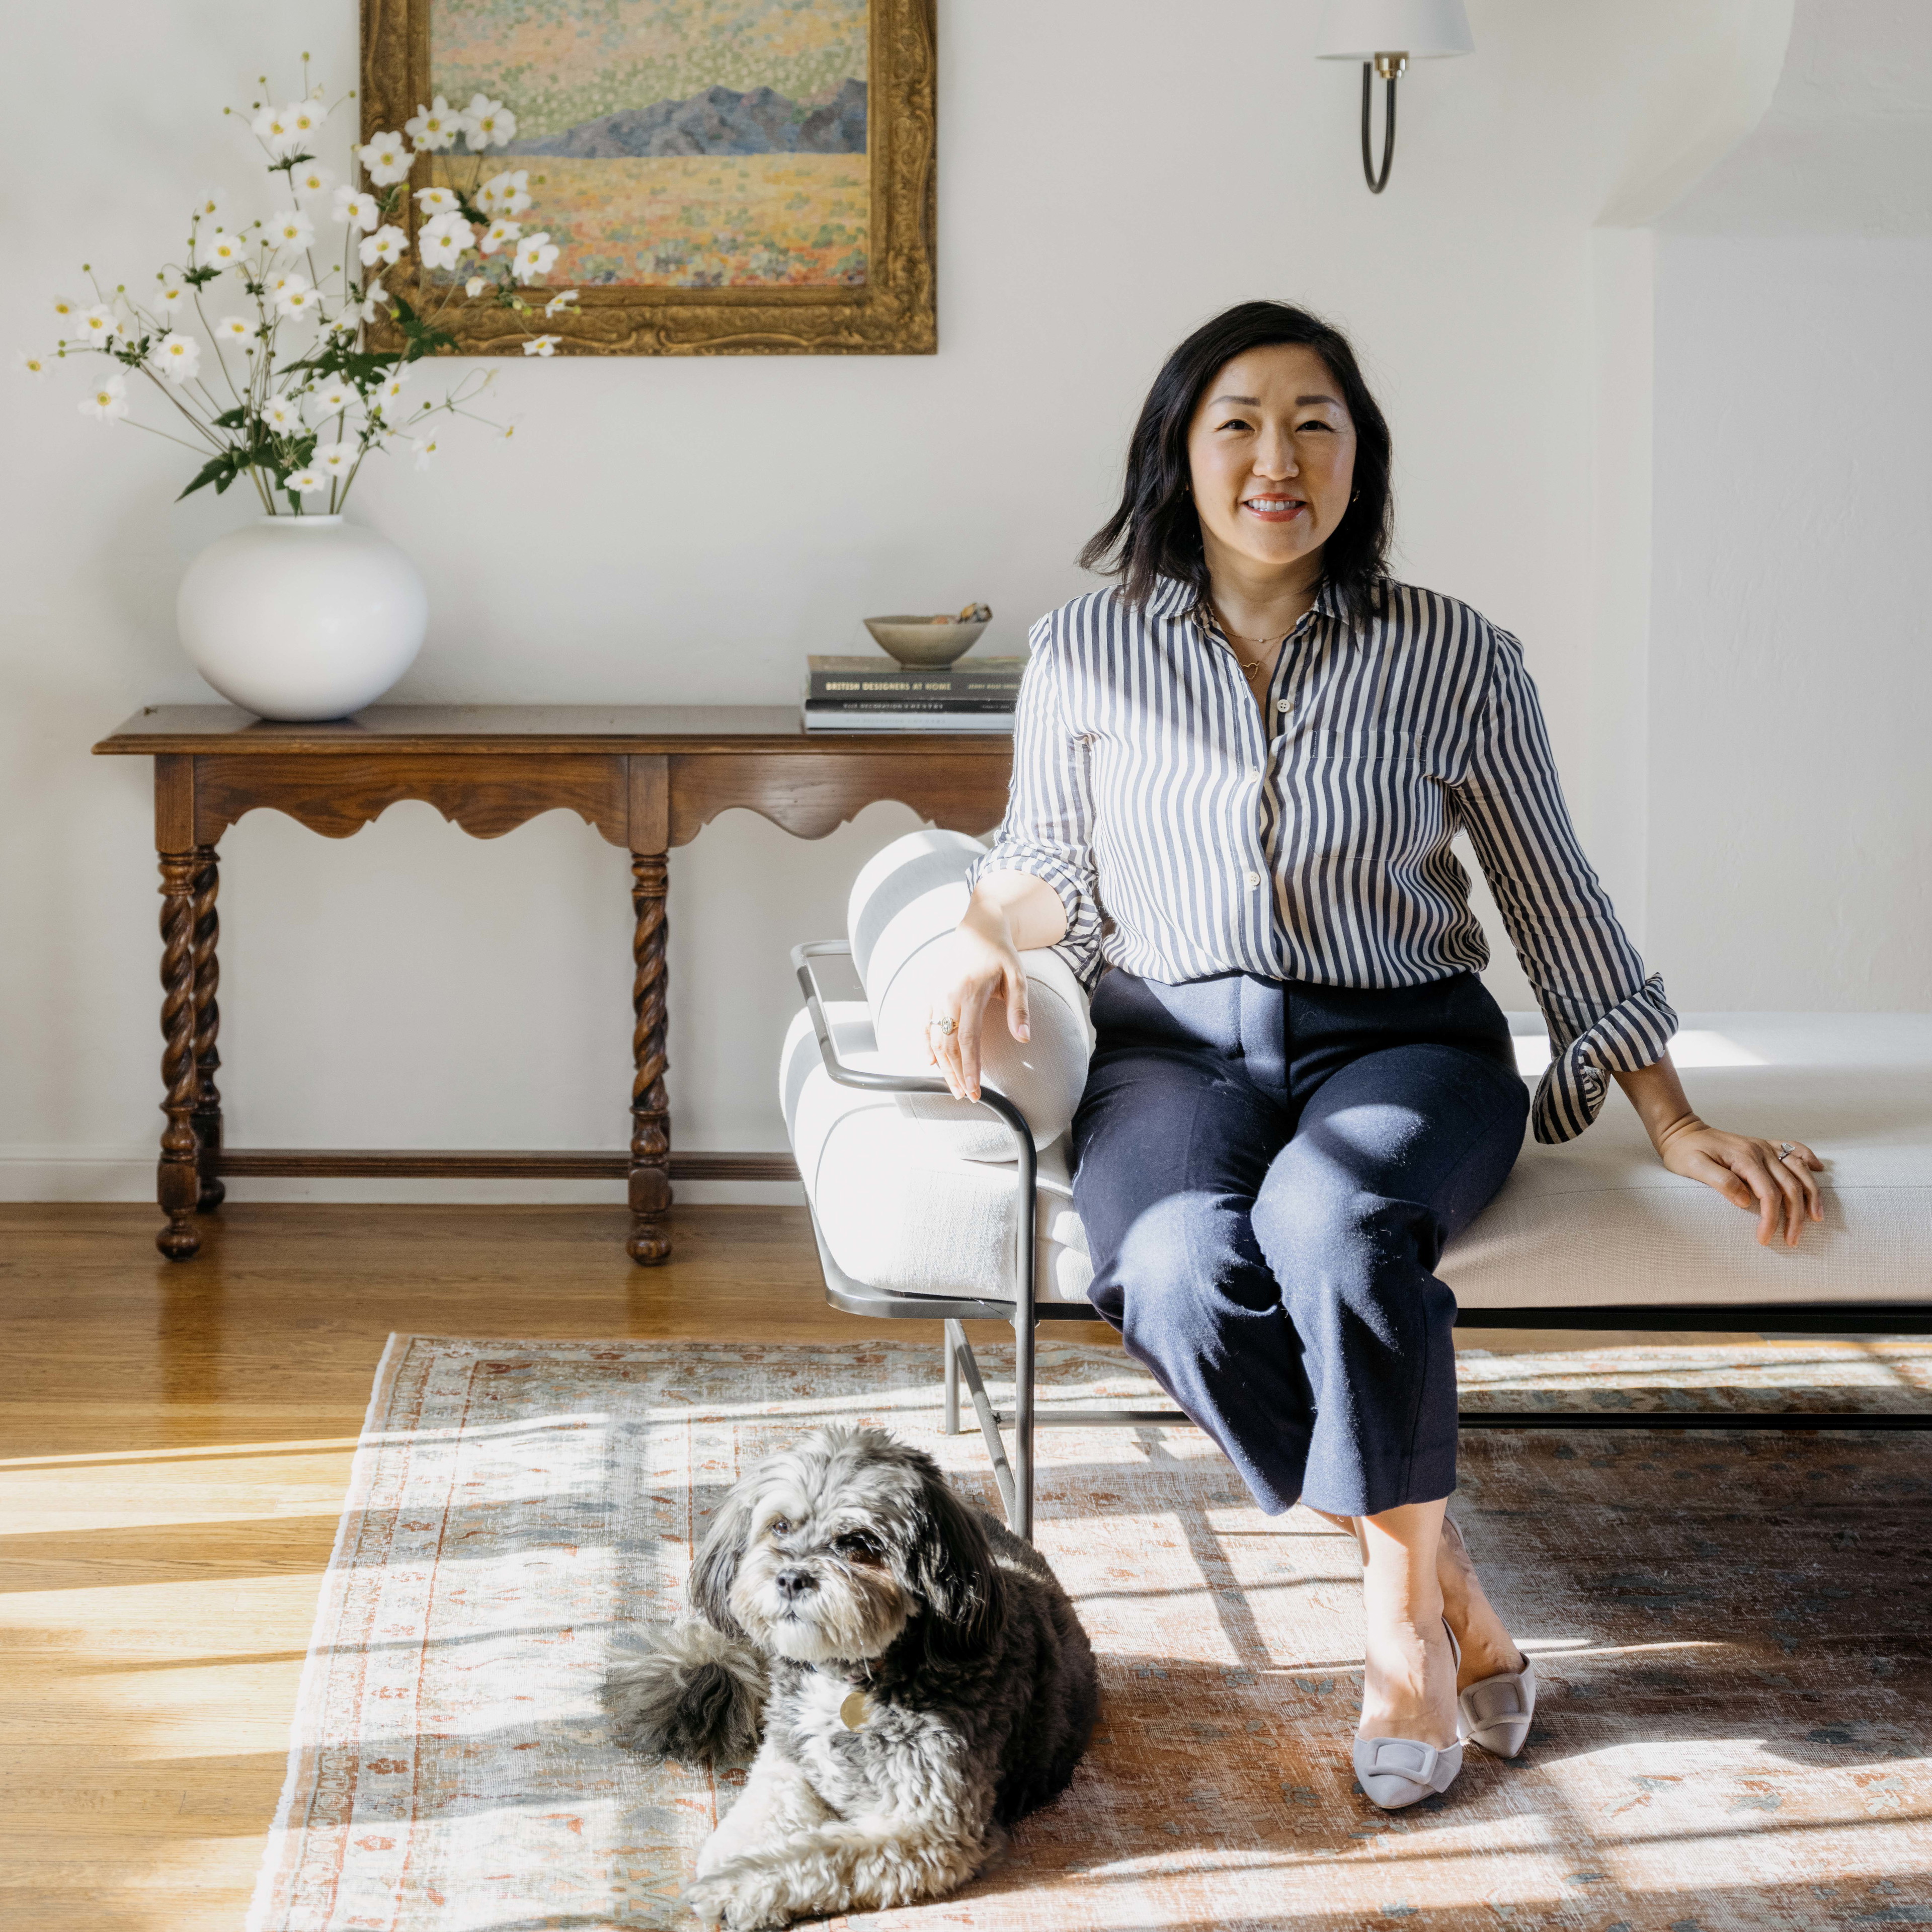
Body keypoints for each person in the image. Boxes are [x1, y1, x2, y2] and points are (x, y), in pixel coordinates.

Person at [920, 300, 1824, 1809]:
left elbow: (1553, 891)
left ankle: (1401, 1636)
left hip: (1404, 1040)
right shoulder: (1087, 648)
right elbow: (1047, 866)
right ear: (1179, 453)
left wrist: (1668, 1117)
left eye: (1316, 422)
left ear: (1359, 455)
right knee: (1166, 1269)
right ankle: (1444, 1569)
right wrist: (974, 932)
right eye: (1241, 423)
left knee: (1333, 1225)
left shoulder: (1455, 653)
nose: (1281, 456)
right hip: (1172, 1047)